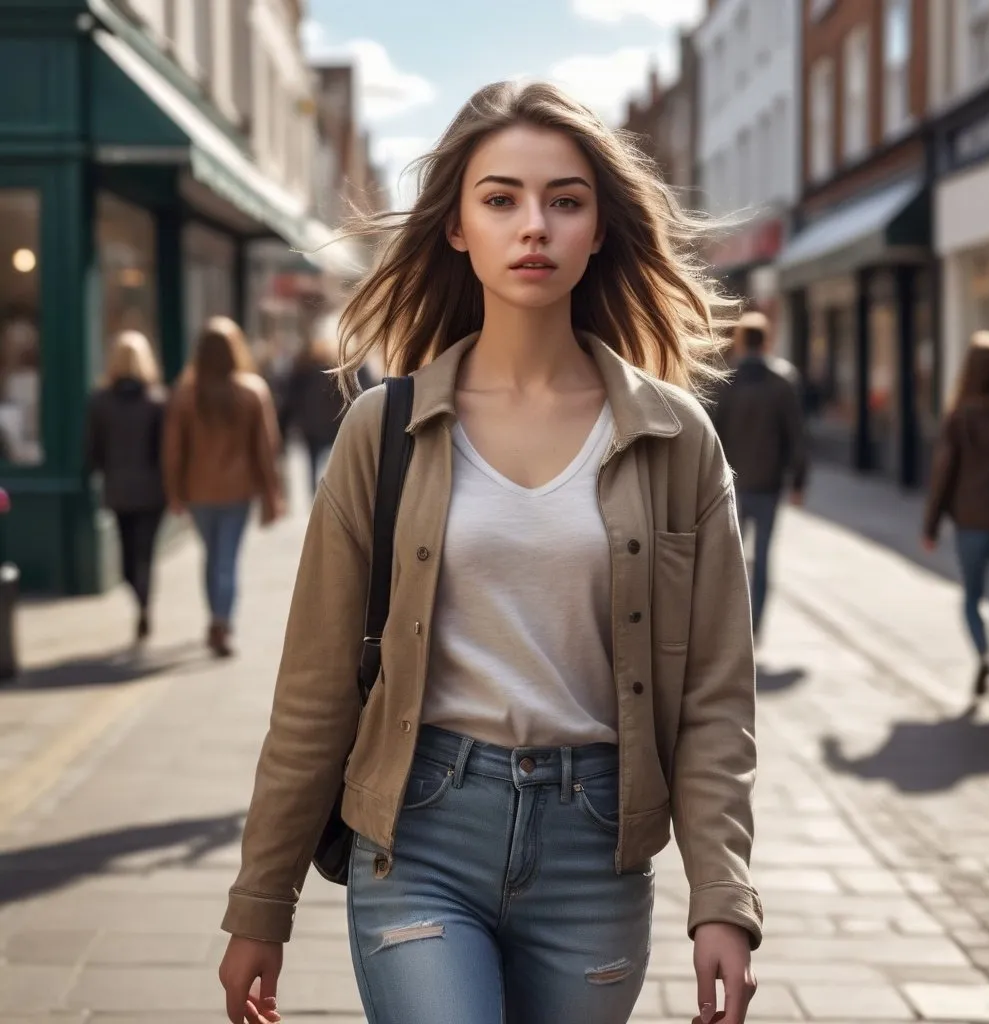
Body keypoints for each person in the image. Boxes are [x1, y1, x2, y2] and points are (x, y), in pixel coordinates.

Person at [218, 81, 761, 1024]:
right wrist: (262, 902)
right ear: (458, 227)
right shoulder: (380, 432)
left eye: (566, 200)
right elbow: (312, 689)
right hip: (420, 830)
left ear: (600, 228)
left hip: (596, 850)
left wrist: (723, 896)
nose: (534, 226)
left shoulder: (677, 440)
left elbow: (716, 695)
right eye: (501, 198)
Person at [163, 317, 283, 658]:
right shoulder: (252, 390)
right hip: (238, 490)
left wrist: (174, 491)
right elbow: (266, 448)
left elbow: (173, 451)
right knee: (226, 556)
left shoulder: (185, 393)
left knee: (212, 555)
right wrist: (272, 493)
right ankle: (222, 620)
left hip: (198, 490)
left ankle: (216, 617)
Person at [922, 330, 989, 710]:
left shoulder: (960, 417)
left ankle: (983, 656)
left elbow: (943, 476)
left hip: (973, 525)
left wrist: (930, 526)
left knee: (971, 599)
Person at [710, 310, 807, 639]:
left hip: (730, 486)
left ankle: (729, 623)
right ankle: (755, 625)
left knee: (729, 558)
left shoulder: (724, 382)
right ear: (766, 341)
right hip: (768, 484)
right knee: (763, 557)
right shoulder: (782, 382)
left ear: (739, 341)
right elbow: (796, 435)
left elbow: (711, 435)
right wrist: (799, 481)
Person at [85, 331, 166, 642]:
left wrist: (97, 471)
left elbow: (92, 449)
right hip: (151, 490)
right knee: (145, 554)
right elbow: (165, 451)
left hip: (119, 488)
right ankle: (144, 604)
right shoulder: (156, 400)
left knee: (128, 558)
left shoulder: (100, 401)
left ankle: (141, 601)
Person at [280, 338, 379, 498]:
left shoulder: (307, 369)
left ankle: (321, 497)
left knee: (322, 464)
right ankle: (324, 497)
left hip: (318, 425)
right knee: (331, 463)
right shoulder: (316, 369)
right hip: (325, 425)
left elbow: (291, 400)